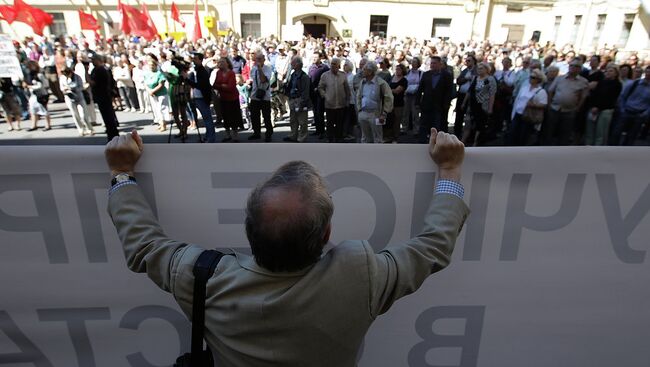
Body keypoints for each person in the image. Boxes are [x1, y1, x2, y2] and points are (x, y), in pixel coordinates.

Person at [104, 124, 468, 367]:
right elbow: (433, 246)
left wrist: (122, 174)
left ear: (248, 231)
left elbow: (144, 246)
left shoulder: (200, 276)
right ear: (326, 235)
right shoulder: (362, 276)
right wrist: (449, 170)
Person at [544, 59, 589, 145]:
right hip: (555, 109)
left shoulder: (583, 82)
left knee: (565, 134)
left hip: (569, 111)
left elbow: (583, 97)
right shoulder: (559, 78)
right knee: (549, 131)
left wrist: (577, 108)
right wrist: (549, 105)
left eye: (576, 66)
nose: (573, 68)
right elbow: (550, 91)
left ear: (580, 69)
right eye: (571, 65)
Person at [415, 56, 453, 144]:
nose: (432, 65)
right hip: (426, 104)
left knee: (437, 125)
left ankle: (437, 143)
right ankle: (422, 142)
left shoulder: (446, 75)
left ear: (440, 64)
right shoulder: (426, 74)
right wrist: (417, 102)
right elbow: (420, 89)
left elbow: (449, 91)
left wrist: (446, 104)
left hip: (439, 105)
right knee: (424, 124)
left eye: (434, 63)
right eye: (431, 63)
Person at [356, 61, 394, 144]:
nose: (363, 71)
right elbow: (358, 96)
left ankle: (377, 156)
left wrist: (384, 113)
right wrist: (359, 110)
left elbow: (389, 98)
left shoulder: (381, 83)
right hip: (363, 112)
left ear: (370, 71)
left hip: (376, 114)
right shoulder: (362, 82)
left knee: (377, 139)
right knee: (365, 138)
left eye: (365, 69)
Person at [584, 63, 622, 145]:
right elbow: (595, 95)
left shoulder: (617, 84)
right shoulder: (602, 82)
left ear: (616, 73)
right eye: (607, 71)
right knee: (590, 130)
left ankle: (598, 150)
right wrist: (593, 106)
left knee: (600, 132)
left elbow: (610, 99)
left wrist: (598, 107)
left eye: (611, 71)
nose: (608, 73)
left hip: (606, 110)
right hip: (593, 108)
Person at [613, 65, 650, 145]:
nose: (648, 74)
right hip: (627, 111)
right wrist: (622, 109)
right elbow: (622, 96)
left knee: (631, 137)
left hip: (639, 114)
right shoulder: (635, 83)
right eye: (647, 71)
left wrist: (645, 113)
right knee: (617, 133)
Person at [510, 68, 548, 146]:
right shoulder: (524, 88)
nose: (531, 79)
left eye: (533, 77)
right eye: (530, 77)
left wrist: (533, 105)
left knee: (523, 137)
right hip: (518, 114)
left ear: (538, 80)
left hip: (528, 117)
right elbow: (517, 100)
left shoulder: (541, 91)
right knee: (513, 134)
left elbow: (544, 104)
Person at [462, 62, 496, 146]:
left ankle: (475, 142)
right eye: (478, 68)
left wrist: (490, 108)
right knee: (468, 123)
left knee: (479, 125)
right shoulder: (475, 78)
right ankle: (463, 141)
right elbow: (469, 91)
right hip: (472, 105)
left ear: (486, 69)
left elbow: (492, 94)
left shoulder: (490, 79)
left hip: (482, 105)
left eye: (481, 68)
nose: (479, 70)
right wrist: (464, 103)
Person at [186, 52, 217, 143]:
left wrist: (187, 80)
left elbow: (200, 85)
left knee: (207, 118)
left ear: (200, 60)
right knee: (205, 118)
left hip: (202, 97)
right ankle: (208, 136)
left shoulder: (202, 71)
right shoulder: (196, 70)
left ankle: (211, 138)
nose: (194, 60)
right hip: (197, 96)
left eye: (196, 59)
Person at [318, 57, 350, 142]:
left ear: (338, 66)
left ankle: (339, 139)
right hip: (329, 104)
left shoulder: (343, 75)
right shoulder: (325, 75)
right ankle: (330, 139)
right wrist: (325, 95)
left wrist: (347, 100)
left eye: (335, 65)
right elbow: (320, 87)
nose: (333, 66)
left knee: (340, 123)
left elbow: (347, 89)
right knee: (330, 124)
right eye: (332, 64)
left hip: (341, 103)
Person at [213, 57, 244, 142]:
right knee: (225, 117)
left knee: (233, 117)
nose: (220, 64)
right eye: (219, 62)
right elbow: (215, 84)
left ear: (227, 63)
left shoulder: (231, 73)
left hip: (232, 98)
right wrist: (223, 86)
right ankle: (227, 134)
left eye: (222, 62)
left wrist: (221, 86)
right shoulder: (218, 72)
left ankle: (235, 135)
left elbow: (231, 87)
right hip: (223, 98)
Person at [90, 53, 120, 140]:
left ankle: (113, 134)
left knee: (108, 115)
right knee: (106, 116)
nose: (92, 62)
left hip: (104, 95)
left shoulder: (101, 70)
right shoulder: (96, 70)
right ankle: (111, 132)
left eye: (93, 60)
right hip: (101, 96)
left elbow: (94, 82)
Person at [283, 56, 311, 142]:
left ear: (298, 64)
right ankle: (293, 135)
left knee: (302, 121)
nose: (291, 64)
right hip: (293, 99)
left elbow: (305, 91)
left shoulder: (304, 76)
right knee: (293, 119)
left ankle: (302, 137)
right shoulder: (293, 74)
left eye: (293, 63)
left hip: (300, 99)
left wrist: (302, 102)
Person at [60, 66, 94, 136]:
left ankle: (89, 128)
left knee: (83, 115)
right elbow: (61, 88)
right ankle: (81, 129)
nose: (66, 75)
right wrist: (65, 90)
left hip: (79, 97)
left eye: (67, 74)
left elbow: (81, 87)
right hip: (69, 98)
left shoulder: (77, 77)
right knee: (75, 115)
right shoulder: (62, 78)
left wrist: (73, 89)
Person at [249, 52, 274, 142]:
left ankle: (268, 134)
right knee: (254, 116)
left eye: (260, 59)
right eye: (257, 59)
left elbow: (263, 80)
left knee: (266, 116)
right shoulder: (253, 69)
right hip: (255, 95)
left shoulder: (267, 69)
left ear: (264, 59)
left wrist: (260, 69)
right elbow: (253, 81)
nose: (258, 61)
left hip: (265, 96)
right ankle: (256, 133)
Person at [144, 58, 172, 133]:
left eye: (152, 65)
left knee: (161, 109)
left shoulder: (159, 73)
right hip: (152, 94)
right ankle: (160, 123)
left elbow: (161, 84)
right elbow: (145, 83)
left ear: (155, 65)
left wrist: (153, 90)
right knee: (156, 109)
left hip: (161, 93)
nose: (151, 67)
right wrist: (149, 90)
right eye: (149, 65)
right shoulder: (147, 73)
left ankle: (164, 124)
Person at [24, 61, 52, 132]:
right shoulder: (29, 76)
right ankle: (34, 125)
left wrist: (30, 87)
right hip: (33, 95)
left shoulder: (39, 75)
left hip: (41, 95)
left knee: (44, 110)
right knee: (33, 110)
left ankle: (48, 125)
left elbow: (41, 85)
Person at [308, 51, 330, 139]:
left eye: (316, 57)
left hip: (320, 93)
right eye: (313, 57)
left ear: (320, 58)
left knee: (320, 112)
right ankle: (317, 130)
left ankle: (322, 131)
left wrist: (320, 88)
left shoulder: (324, 68)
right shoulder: (311, 67)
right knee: (315, 112)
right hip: (312, 93)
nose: (314, 59)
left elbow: (327, 80)